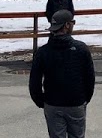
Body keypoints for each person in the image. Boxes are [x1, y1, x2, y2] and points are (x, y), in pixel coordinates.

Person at [29, 10, 95, 138]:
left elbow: (34, 81)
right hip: (76, 102)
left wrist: (41, 101)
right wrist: (84, 99)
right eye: (72, 23)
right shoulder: (81, 49)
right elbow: (89, 78)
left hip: (52, 103)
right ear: (66, 25)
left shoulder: (43, 52)